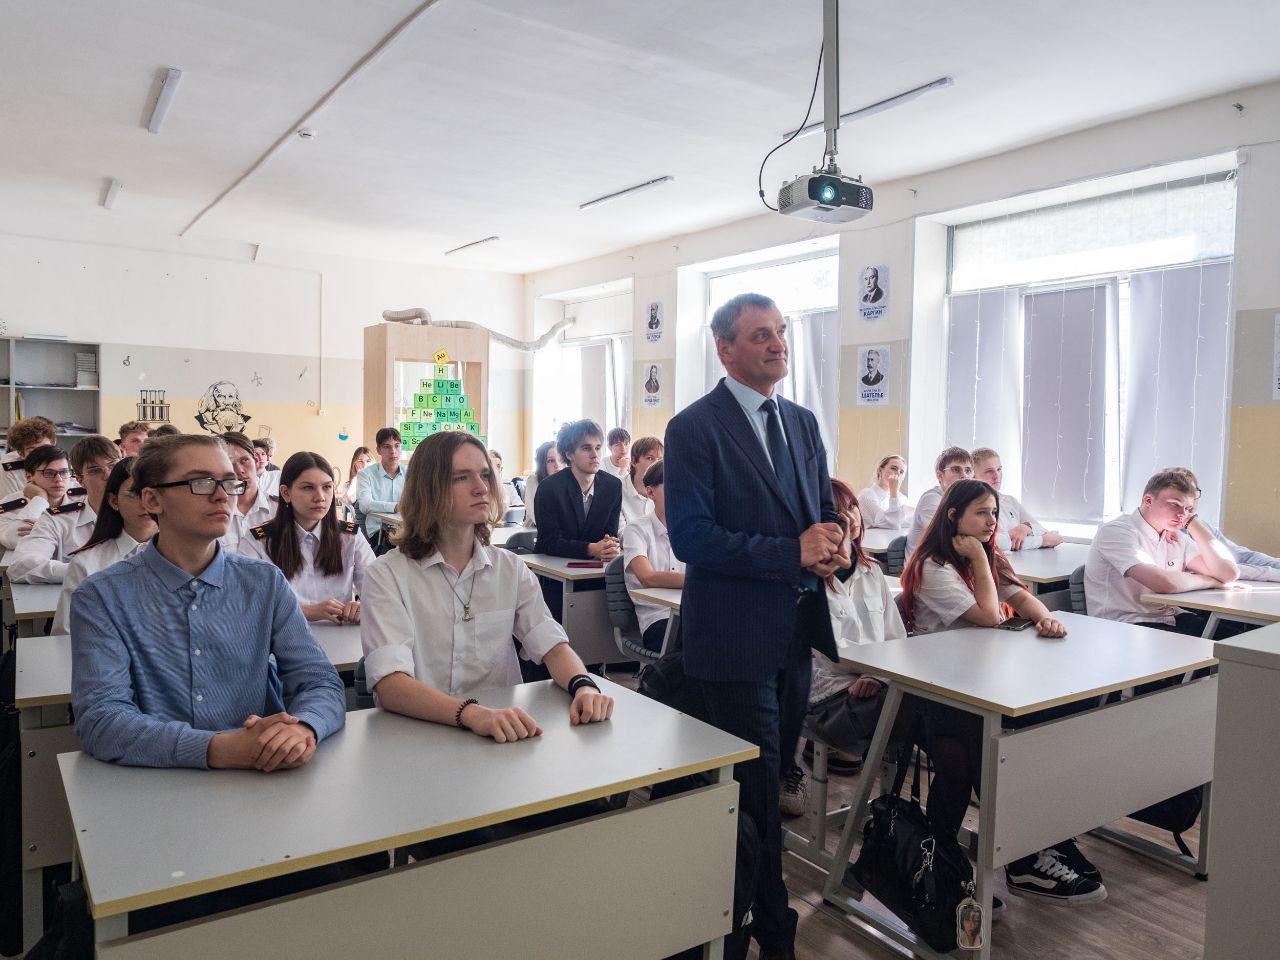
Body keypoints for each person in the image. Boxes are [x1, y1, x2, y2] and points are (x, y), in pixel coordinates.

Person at [665, 292, 846, 959]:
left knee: (766, 789)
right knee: (756, 793)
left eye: (781, 332)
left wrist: (835, 542)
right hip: (733, 638)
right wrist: (789, 552)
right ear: (725, 348)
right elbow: (691, 537)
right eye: (761, 334)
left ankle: (750, 926)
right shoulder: (695, 427)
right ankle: (760, 931)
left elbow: (822, 509)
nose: (778, 344)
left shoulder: (800, 421)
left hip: (795, 634)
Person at [70, 433, 346, 770]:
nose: (222, 495)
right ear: (152, 499)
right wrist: (222, 749)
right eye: (200, 482)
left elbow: (320, 681)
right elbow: (102, 720)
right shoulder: (101, 597)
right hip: (154, 781)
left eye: (229, 482)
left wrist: (303, 727)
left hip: (263, 775)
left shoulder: (264, 583)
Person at [900, 478, 1105, 904]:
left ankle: (1037, 841)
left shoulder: (988, 556)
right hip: (933, 690)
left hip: (979, 683)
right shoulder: (933, 566)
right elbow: (990, 615)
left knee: (1042, 725)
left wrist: (1045, 617)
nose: (992, 521)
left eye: (994, 512)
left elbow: (1022, 599)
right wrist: (978, 557)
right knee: (975, 753)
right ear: (953, 516)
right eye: (981, 513)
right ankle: (1010, 857)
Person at [361, 430, 614, 741]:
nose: (481, 488)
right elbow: (391, 685)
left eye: (484, 475)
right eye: (461, 477)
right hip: (420, 735)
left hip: (502, 734)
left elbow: (551, 644)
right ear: (428, 489)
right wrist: (471, 714)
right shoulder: (387, 575)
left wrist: (583, 685)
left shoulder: (509, 568)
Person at [781, 481, 907, 815]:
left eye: (852, 507)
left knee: (942, 715)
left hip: (876, 684)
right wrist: (876, 673)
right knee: (923, 713)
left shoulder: (872, 571)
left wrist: (879, 676)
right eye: (836, 513)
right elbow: (829, 651)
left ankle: (909, 820)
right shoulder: (800, 579)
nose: (849, 517)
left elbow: (897, 639)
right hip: (826, 693)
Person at [1085, 467, 1239, 633]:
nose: (1182, 514)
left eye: (1188, 509)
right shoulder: (1117, 531)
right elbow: (1164, 583)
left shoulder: (1173, 534)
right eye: (1174, 505)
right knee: (1228, 642)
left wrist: (1192, 522)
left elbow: (1228, 573)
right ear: (1148, 500)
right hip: (1126, 625)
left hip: (1168, 618)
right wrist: (1212, 581)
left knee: (1238, 633)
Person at [238, 451, 373, 624]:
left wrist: (362, 608)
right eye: (308, 488)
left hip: (341, 634)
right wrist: (307, 611)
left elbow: (378, 592)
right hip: (281, 635)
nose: (320, 497)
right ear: (286, 493)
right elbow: (247, 604)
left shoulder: (350, 537)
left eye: (327, 487)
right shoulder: (257, 542)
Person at [52, 456, 155, 634]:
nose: (145, 503)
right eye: (133, 493)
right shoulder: (87, 564)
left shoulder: (187, 557)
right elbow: (67, 634)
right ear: (114, 501)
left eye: (153, 493)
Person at [534, 420, 622, 619]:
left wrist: (610, 546)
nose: (595, 454)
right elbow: (549, 542)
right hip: (554, 576)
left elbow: (610, 534)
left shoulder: (613, 486)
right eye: (586, 448)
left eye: (598, 447)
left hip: (597, 574)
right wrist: (592, 549)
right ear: (569, 454)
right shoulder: (549, 488)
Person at [9, 435, 119, 584]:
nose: (108, 475)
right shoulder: (58, 520)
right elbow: (20, 567)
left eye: (113, 466)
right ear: (80, 480)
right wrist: (86, 571)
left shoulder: (141, 514)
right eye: (95, 470)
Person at [622, 459, 684, 654]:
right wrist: (699, 580)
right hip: (658, 619)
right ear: (650, 492)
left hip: (691, 612)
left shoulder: (691, 530)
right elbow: (647, 577)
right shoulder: (636, 530)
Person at [971, 447, 1063, 551]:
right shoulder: (971, 506)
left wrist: (1025, 527)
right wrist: (1042, 541)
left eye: (999, 469)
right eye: (989, 471)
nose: (997, 476)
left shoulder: (1010, 501)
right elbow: (998, 543)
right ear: (973, 476)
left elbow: (1044, 531)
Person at [0, 445, 79, 550]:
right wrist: (40, 499)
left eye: (64, 472)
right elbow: (13, 540)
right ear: (29, 476)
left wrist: (48, 530)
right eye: (49, 473)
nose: (58, 479)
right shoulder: (8, 505)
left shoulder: (84, 498)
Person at [905, 446, 974, 556]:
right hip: (926, 562)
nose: (964, 475)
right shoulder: (931, 499)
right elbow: (945, 541)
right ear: (940, 475)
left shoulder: (966, 500)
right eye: (956, 470)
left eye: (968, 470)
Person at [220, 432, 277, 552]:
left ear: (256, 460)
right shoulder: (215, 512)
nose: (239, 470)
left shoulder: (279, 510)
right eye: (230, 463)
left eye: (244, 460)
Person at [356, 427, 405, 553]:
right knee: (401, 548)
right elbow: (365, 505)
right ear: (378, 450)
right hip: (379, 531)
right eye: (387, 447)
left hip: (407, 527)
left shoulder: (411, 473)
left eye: (397, 446)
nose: (393, 451)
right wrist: (395, 507)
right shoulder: (365, 475)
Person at [1, 416, 58, 499]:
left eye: (44, 448)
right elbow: (10, 504)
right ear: (21, 453)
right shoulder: (9, 469)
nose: (41, 455)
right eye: (32, 451)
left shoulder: (62, 463)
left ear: (53, 443)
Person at [857, 454, 914, 530]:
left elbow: (913, 520)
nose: (898, 473)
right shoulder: (867, 494)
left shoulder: (901, 497)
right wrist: (893, 492)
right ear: (880, 471)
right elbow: (893, 524)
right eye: (894, 468)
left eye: (901, 472)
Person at [620, 436, 662, 526]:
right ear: (634, 461)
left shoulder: (665, 491)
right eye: (650, 458)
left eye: (660, 459)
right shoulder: (617, 489)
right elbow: (621, 531)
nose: (657, 464)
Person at [522, 440, 559, 528]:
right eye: (551, 461)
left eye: (560, 459)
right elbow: (539, 518)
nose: (557, 465)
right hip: (534, 533)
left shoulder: (569, 481)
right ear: (542, 464)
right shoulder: (533, 481)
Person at [339, 446, 373, 521]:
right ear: (355, 463)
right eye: (360, 461)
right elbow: (346, 501)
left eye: (368, 461)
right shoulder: (348, 485)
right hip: (362, 521)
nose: (364, 465)